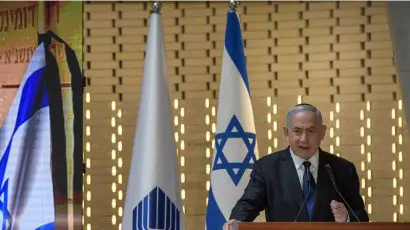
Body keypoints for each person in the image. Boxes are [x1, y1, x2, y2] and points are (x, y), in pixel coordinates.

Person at [228, 103, 369, 224]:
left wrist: (346, 217)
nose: (304, 139)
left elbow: (361, 217)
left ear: (322, 132)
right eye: (297, 131)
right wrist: (237, 222)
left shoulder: (343, 169)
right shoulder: (267, 168)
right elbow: (249, 204)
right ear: (286, 132)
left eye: (311, 131)